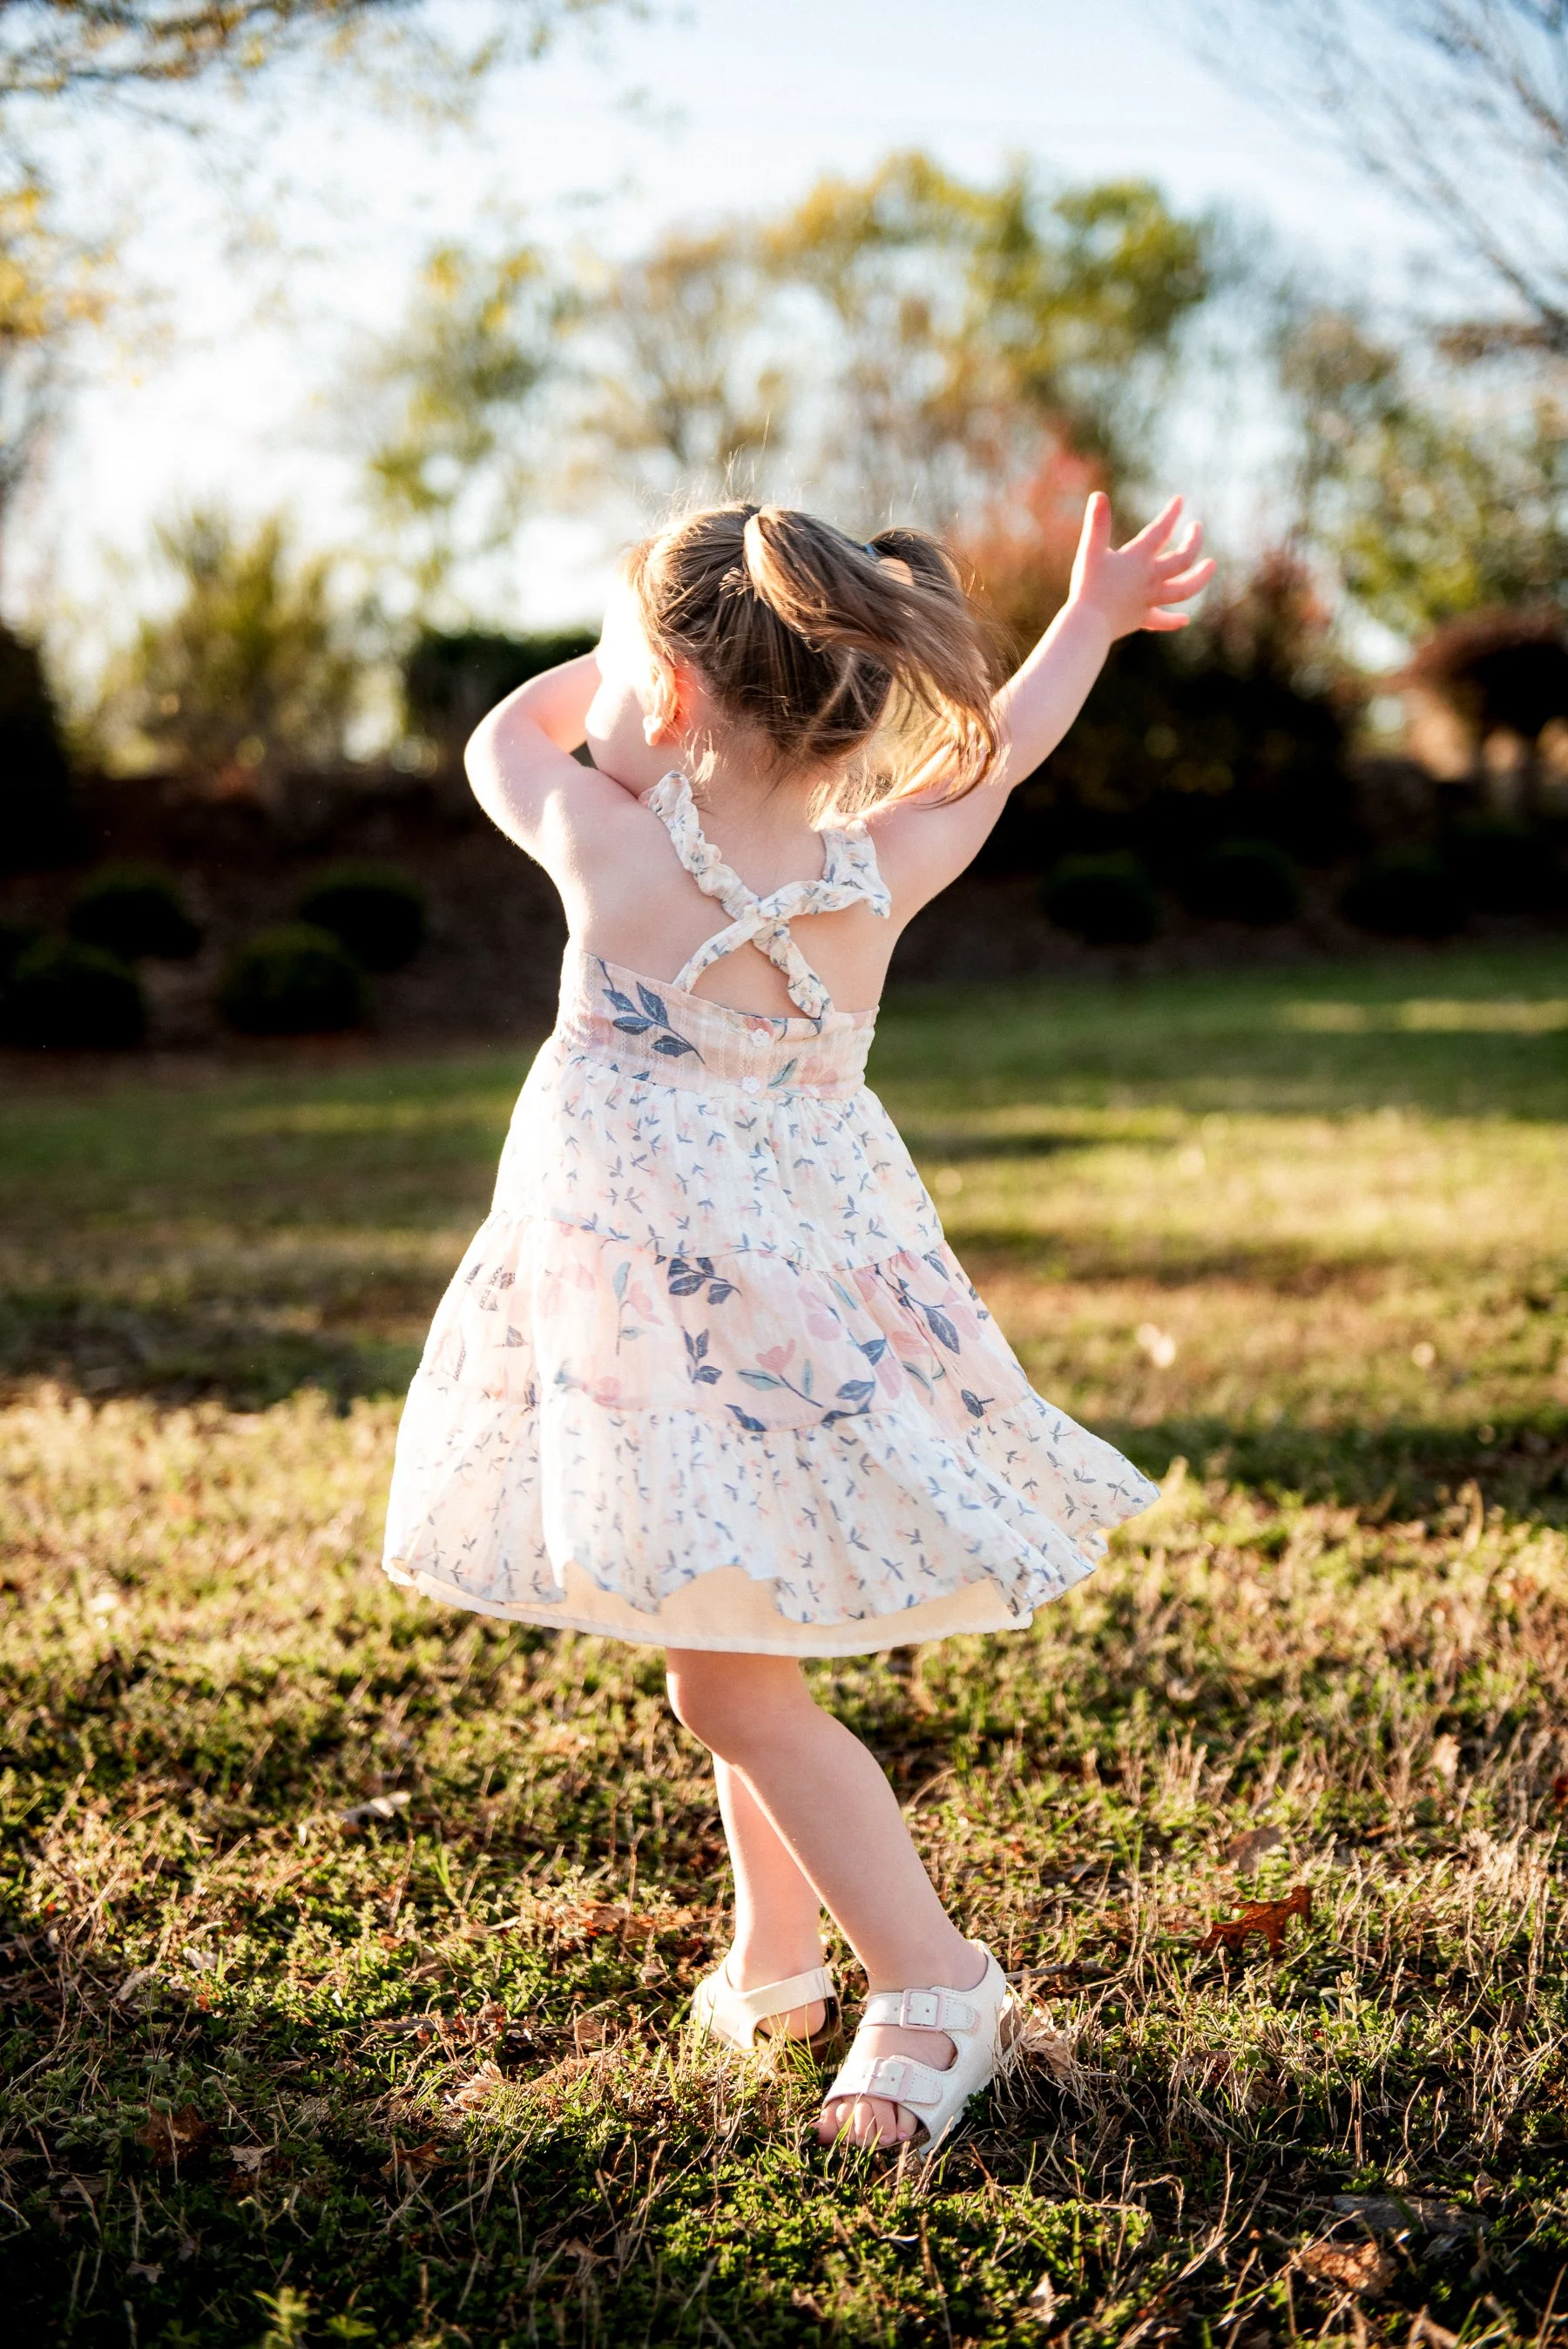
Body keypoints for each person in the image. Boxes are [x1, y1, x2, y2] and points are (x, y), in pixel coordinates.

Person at [383, 491, 1213, 2150]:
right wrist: (1089, 625)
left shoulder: (601, 837)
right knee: (731, 1599)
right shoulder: (887, 863)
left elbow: (507, 729)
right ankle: (774, 1951)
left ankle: (935, 1980)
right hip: (794, 1331)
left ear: (674, 693)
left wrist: (641, 680)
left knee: (726, 1685)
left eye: (637, 673)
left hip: (660, 1327)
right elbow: (1011, 749)